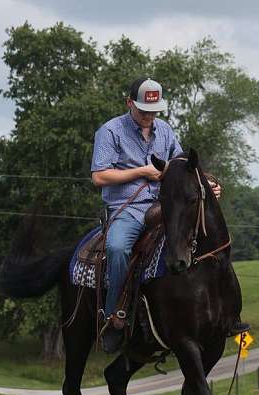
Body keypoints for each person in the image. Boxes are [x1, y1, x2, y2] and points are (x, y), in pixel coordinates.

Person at [91, 78, 230, 353]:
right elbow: (99, 176)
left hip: (165, 205)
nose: (148, 116)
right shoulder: (110, 132)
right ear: (129, 103)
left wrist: (206, 183)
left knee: (210, 236)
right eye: (143, 110)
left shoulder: (164, 130)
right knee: (117, 247)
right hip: (126, 209)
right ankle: (113, 317)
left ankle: (226, 311)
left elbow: (180, 166)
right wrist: (142, 171)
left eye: (153, 111)